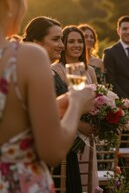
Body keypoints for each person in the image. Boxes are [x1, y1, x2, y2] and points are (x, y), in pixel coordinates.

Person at [0, 0, 94, 192]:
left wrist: (57, 105)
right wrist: (76, 103)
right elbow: (52, 151)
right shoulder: (26, 57)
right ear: (11, 0)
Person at [23, 16, 85, 192]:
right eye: (56, 39)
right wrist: (78, 105)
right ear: (37, 42)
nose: (62, 45)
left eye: (61, 40)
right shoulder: (34, 74)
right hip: (49, 154)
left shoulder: (50, 72)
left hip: (66, 150)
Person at [51, 25, 99, 191]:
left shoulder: (90, 71)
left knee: (88, 179)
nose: (76, 45)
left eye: (80, 41)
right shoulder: (55, 70)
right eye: (71, 41)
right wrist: (81, 125)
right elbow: (56, 109)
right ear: (63, 44)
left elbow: (98, 102)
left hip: (88, 137)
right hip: (70, 135)